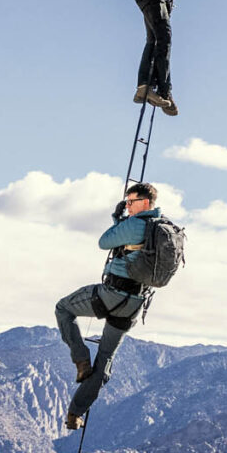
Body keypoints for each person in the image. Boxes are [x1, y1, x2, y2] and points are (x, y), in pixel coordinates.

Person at [55, 183, 164, 430]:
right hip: (134, 305)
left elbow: (104, 242)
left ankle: (81, 361)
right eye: (126, 202)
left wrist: (118, 219)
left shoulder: (135, 224)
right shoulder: (160, 229)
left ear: (145, 203)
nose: (127, 205)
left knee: (63, 308)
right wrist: (122, 221)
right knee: (105, 359)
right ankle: (75, 413)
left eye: (131, 201)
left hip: (111, 294)